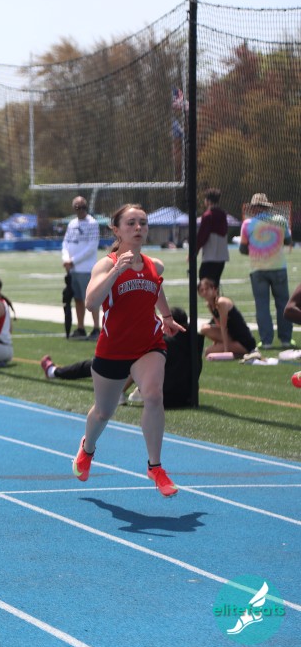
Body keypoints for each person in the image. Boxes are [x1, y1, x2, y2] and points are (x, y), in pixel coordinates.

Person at [71, 204, 184, 497]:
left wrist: (167, 317)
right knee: (103, 412)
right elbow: (92, 302)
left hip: (149, 345)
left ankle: (155, 466)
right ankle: (88, 448)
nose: (138, 228)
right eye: (131, 223)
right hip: (113, 348)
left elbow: (156, 286)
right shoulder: (105, 265)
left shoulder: (154, 265)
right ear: (116, 229)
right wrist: (116, 271)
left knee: (153, 395)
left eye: (143, 223)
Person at [40, 307, 202, 408]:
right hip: (187, 397)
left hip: (162, 398)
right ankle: (133, 391)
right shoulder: (194, 341)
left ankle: (55, 372)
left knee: (108, 364)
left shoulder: (161, 342)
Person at [240, 192, 294, 348]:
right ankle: (285, 339)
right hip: (278, 267)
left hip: (258, 269)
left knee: (262, 306)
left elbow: (243, 249)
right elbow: (288, 241)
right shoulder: (280, 220)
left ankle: (266, 341)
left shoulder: (248, 224)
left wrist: (257, 248)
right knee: (283, 304)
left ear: (253, 208)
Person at [62, 196, 101, 339]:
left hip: (86, 268)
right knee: (78, 298)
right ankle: (80, 327)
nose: (80, 210)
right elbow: (66, 242)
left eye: (82, 207)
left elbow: (91, 247)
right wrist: (66, 259)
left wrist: (73, 260)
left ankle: (96, 328)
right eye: (77, 207)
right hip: (73, 270)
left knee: (91, 299)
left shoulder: (92, 223)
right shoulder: (72, 223)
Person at [197, 277, 256, 358]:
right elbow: (218, 326)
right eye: (201, 290)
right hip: (231, 336)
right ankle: (230, 349)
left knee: (208, 351)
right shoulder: (209, 305)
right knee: (204, 328)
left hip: (243, 342)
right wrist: (216, 344)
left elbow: (223, 327)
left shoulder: (221, 302)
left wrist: (226, 351)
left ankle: (238, 352)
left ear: (214, 289)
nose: (204, 292)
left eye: (207, 289)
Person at [197, 188, 229, 285]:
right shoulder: (223, 214)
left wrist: (194, 251)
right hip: (222, 257)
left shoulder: (208, 216)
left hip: (210, 256)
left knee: (205, 283)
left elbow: (202, 236)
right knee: (215, 284)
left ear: (208, 201)